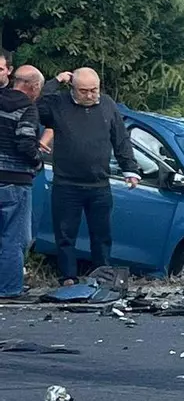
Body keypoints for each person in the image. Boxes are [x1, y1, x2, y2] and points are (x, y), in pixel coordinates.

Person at [37, 67, 139, 284]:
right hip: (66, 184)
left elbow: (120, 139)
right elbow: (39, 104)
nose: (90, 95)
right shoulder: (59, 103)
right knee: (65, 235)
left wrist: (130, 169)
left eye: (94, 90)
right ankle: (68, 277)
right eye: (84, 91)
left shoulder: (107, 105)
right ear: (73, 88)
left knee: (102, 236)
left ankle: (103, 278)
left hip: (99, 184)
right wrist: (56, 81)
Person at [0, 55, 41, 297]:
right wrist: (37, 160)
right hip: (15, 180)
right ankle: (9, 288)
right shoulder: (27, 108)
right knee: (14, 238)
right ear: (33, 87)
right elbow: (25, 141)